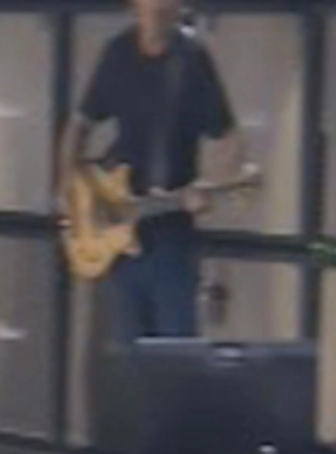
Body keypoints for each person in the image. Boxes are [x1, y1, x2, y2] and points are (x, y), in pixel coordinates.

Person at [58, 0, 254, 341]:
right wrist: (68, 192)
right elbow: (79, 125)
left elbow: (229, 138)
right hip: (117, 233)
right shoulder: (117, 54)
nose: (157, 9)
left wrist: (215, 184)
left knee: (172, 352)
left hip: (170, 234)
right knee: (126, 352)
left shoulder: (191, 60)